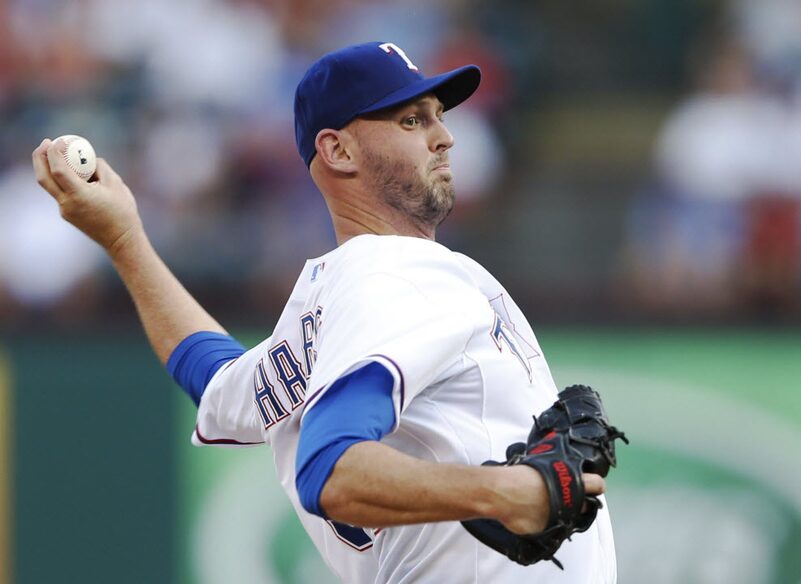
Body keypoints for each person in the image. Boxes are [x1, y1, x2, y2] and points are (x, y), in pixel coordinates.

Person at [33, 41, 615, 583]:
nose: (444, 137)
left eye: (439, 115)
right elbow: (329, 469)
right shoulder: (398, 275)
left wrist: (124, 239)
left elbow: (211, 378)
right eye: (412, 120)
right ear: (337, 150)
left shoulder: (327, 306)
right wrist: (501, 491)